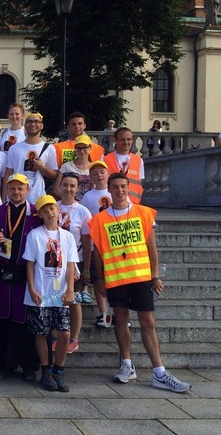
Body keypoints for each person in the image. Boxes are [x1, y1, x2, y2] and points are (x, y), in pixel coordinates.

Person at [90, 173, 190, 392]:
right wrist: (98, 279)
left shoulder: (143, 213)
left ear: (129, 188)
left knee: (149, 322)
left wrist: (155, 276)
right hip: (116, 277)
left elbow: (151, 247)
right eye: (115, 187)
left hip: (141, 275)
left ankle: (159, 371)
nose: (120, 190)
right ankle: (126, 364)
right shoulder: (100, 219)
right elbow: (97, 252)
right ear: (109, 189)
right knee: (121, 320)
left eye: (123, 186)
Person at [0, 173, 42, 381]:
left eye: (20, 188)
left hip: (27, 273)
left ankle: (29, 365)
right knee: (3, 318)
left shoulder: (36, 213)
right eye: (12, 188)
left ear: (27, 190)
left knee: (26, 319)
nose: (16, 192)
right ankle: (4, 364)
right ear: (7, 190)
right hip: (3, 272)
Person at [23, 194, 78, 392]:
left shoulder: (67, 236)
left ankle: (59, 370)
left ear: (58, 210)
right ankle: (46, 370)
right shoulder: (35, 235)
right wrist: (31, 288)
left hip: (61, 294)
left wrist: (71, 289)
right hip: (41, 291)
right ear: (40, 214)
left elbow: (71, 265)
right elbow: (29, 264)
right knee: (41, 333)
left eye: (52, 209)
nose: (49, 213)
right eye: (45, 210)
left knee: (64, 333)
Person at [53, 172, 93, 355]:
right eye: (65, 185)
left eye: (72, 186)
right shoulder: (53, 206)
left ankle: (73, 338)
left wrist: (86, 268)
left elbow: (86, 241)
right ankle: (55, 335)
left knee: (74, 299)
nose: (68, 189)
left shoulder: (83, 211)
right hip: (53, 262)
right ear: (60, 186)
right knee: (54, 298)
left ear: (77, 189)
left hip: (74, 262)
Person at [80, 160, 113, 328]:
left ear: (108, 174)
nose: (99, 175)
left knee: (115, 279)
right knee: (99, 277)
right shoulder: (88, 196)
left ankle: (118, 312)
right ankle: (103, 312)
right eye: (95, 173)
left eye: (102, 172)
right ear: (91, 177)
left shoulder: (116, 191)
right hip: (96, 243)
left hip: (114, 243)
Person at [3, 112, 58, 204]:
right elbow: (8, 173)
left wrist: (42, 168)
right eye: (30, 121)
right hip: (16, 197)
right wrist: (4, 197)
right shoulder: (14, 149)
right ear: (25, 125)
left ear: (41, 125)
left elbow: (54, 175)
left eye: (36, 121)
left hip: (38, 197)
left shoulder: (49, 148)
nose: (33, 124)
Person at [104, 127, 144, 204]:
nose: (126, 142)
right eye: (122, 139)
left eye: (129, 139)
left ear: (132, 140)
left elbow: (140, 183)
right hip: (112, 202)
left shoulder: (139, 160)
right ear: (115, 141)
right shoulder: (106, 159)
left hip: (133, 203)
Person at [53, 135, 95, 201]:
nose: (81, 151)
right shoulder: (66, 167)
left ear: (90, 148)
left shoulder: (95, 167)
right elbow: (56, 189)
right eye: (79, 148)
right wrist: (70, 201)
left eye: (84, 147)